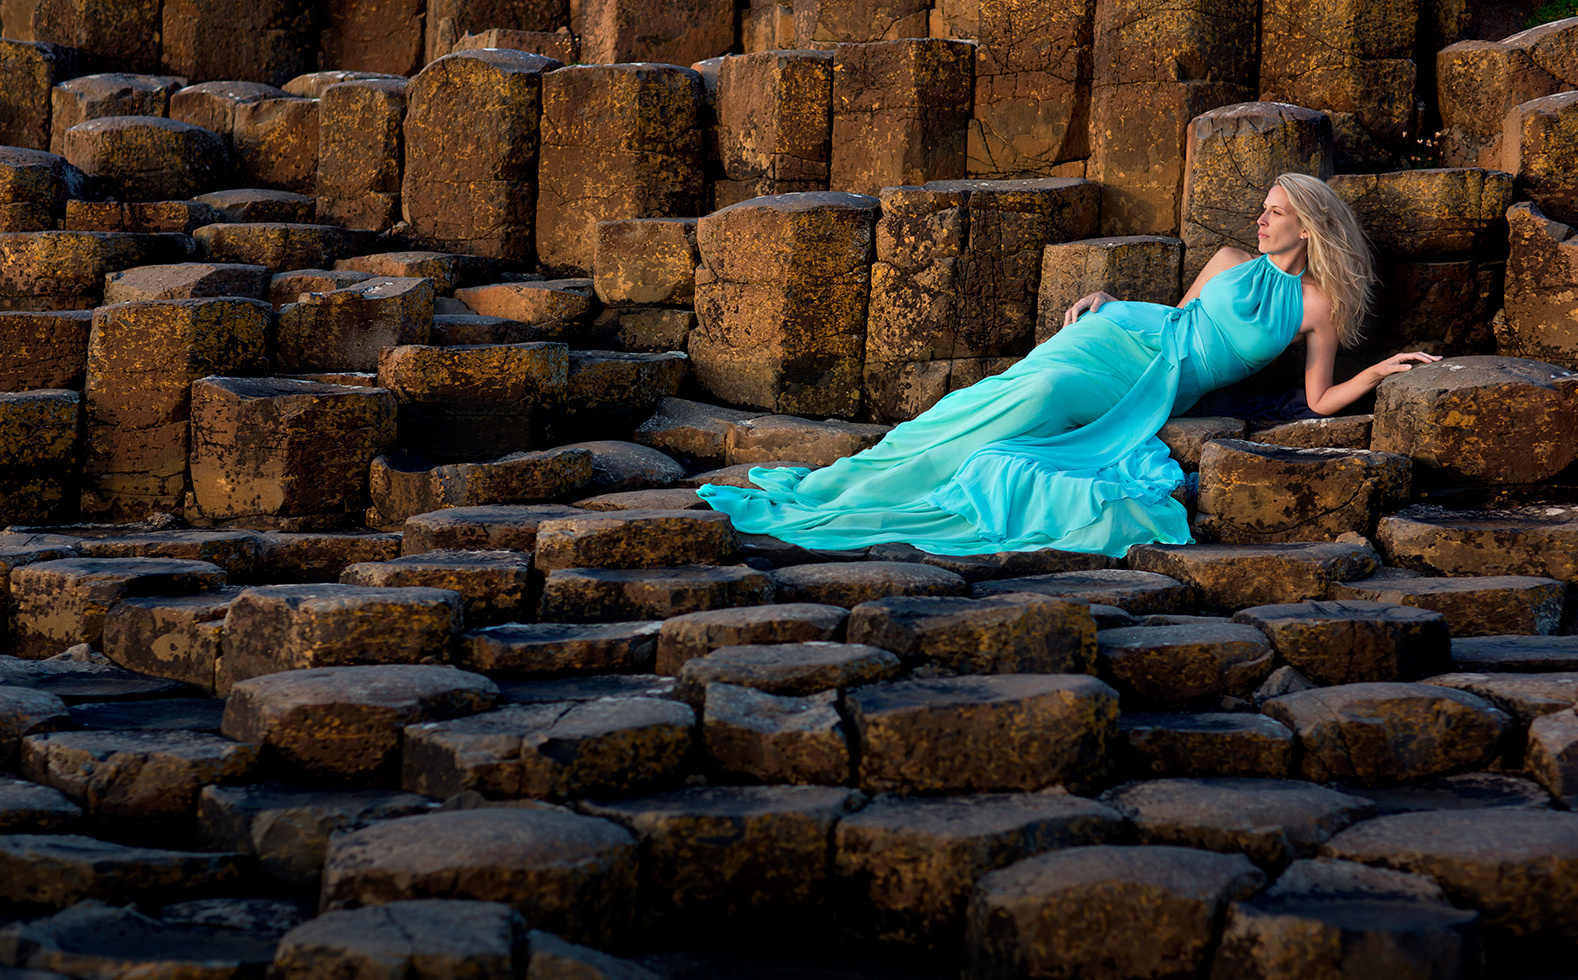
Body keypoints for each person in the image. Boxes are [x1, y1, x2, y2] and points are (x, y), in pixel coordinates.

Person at [697, 173, 1441, 558]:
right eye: (1263, 208)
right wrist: (1113, 299)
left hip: (1159, 384)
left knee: (1042, 394)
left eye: (1275, 211)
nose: (1261, 218)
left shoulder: (1319, 307)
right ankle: (868, 472)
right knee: (1023, 387)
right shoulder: (1227, 260)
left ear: (1306, 225)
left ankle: (892, 480)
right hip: (1123, 337)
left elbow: (1316, 400)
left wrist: (1377, 376)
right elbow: (1178, 319)